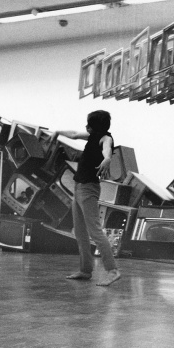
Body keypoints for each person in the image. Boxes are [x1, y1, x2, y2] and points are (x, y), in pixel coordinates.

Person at [51, 110, 121, 286]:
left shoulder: (105, 138)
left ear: (96, 126)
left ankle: (112, 270)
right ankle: (85, 270)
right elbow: (74, 135)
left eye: (89, 124)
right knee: (80, 231)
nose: (86, 126)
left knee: (94, 230)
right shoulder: (92, 136)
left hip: (88, 189)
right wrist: (58, 132)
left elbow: (107, 150)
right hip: (79, 187)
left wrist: (107, 159)